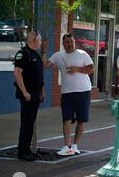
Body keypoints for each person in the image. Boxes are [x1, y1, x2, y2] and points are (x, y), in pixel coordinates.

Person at [41, 33, 94, 156]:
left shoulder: (82, 54)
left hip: (83, 91)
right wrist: (43, 51)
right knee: (67, 119)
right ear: (63, 43)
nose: (70, 44)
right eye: (67, 42)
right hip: (67, 92)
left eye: (71, 41)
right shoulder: (58, 56)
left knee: (81, 120)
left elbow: (91, 68)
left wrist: (77, 69)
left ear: (74, 42)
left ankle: (75, 146)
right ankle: (67, 146)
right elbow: (45, 65)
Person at [14, 30, 45, 161]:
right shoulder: (23, 54)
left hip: (35, 95)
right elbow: (17, 73)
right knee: (26, 123)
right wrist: (25, 92)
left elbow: (39, 74)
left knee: (30, 123)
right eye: (39, 40)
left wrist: (42, 90)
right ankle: (22, 151)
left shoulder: (36, 54)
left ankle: (27, 149)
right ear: (33, 40)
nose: (41, 42)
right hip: (27, 96)